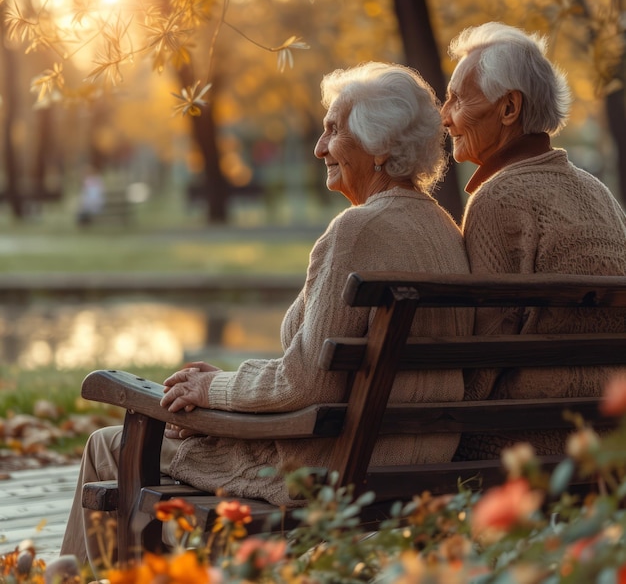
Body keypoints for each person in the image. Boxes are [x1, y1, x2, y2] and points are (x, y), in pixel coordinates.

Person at [61, 61, 473, 566]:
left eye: (333, 131)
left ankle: (68, 577)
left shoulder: (357, 231)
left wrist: (212, 392)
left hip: (324, 468)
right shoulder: (444, 231)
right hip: (415, 461)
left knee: (111, 445)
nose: (320, 148)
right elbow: (320, 374)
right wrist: (231, 394)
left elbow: (305, 385)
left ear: (382, 147)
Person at [440, 22, 626, 459]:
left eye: (456, 99)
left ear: (509, 109)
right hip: (611, 432)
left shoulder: (497, 199)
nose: (445, 116)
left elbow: (483, 353)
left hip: (526, 439)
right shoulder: (598, 192)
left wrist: (443, 426)